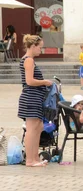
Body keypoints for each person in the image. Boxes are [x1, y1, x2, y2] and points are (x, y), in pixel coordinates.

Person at [18, 35, 54, 167]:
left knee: (38, 127)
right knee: (32, 129)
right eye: (40, 47)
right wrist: (45, 82)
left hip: (35, 98)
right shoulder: (28, 60)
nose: (41, 50)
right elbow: (29, 81)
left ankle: (35, 158)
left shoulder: (29, 60)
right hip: (30, 98)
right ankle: (30, 160)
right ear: (33, 46)